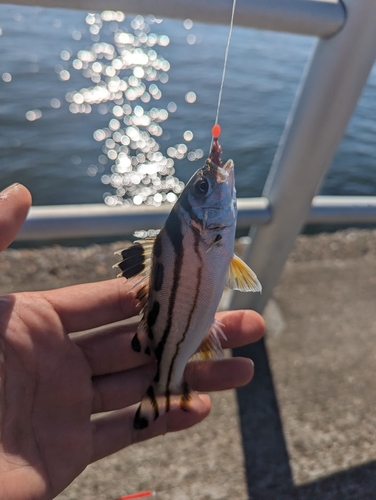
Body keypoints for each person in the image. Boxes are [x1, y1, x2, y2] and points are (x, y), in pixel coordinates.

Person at [0, 183, 265, 500]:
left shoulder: (201, 234)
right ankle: (168, 387)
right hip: (180, 322)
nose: (215, 184)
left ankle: (167, 388)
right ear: (199, 217)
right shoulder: (208, 235)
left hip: (180, 320)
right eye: (204, 187)